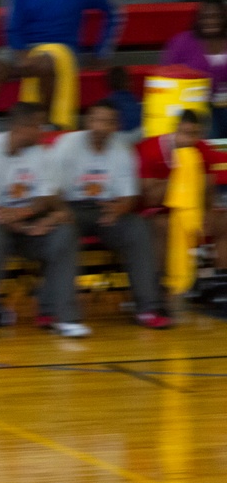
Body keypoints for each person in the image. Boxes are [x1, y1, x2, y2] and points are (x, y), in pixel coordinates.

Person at [0, 101, 89, 341]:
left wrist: (45, 219)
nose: (43, 131)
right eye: (38, 125)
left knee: (64, 234)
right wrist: (24, 224)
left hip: (20, 224)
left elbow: (46, 197)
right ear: (21, 127)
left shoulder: (40, 153)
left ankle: (64, 317)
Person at [51, 100, 170, 328]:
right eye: (97, 120)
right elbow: (51, 191)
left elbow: (129, 197)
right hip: (69, 207)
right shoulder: (67, 145)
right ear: (88, 121)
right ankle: (55, 310)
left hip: (106, 209)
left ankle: (148, 308)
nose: (101, 126)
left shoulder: (122, 150)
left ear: (115, 125)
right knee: (62, 232)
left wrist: (118, 210)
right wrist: (62, 213)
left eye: (107, 122)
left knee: (138, 228)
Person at [0, 0, 124, 135]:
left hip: (62, 49)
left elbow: (114, 11)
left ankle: (45, 126)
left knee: (45, 64)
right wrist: (21, 52)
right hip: (23, 46)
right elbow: (11, 26)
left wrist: (101, 53)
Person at [137, 110, 227, 303]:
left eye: (194, 134)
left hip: (190, 210)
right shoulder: (151, 148)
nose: (189, 140)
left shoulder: (201, 149)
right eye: (184, 133)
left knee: (223, 222)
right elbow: (149, 198)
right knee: (163, 225)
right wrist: (180, 172)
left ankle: (220, 283)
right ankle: (158, 284)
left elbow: (208, 190)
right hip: (157, 211)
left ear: (201, 134)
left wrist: (207, 215)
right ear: (175, 130)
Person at [160, 0, 227, 139]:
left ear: (223, 18)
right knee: (210, 132)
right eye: (206, 17)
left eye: (216, 16)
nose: (211, 21)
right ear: (199, 19)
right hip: (195, 106)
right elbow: (165, 75)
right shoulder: (182, 43)